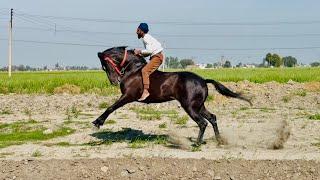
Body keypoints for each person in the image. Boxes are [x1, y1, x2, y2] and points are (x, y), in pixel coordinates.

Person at [134, 23, 164, 101]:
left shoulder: (145, 38)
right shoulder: (146, 37)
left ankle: (146, 91)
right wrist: (140, 53)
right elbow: (148, 52)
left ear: (142, 31)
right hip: (155, 56)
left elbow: (149, 51)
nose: (136, 31)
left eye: (138, 30)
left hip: (157, 57)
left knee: (145, 71)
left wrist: (139, 51)